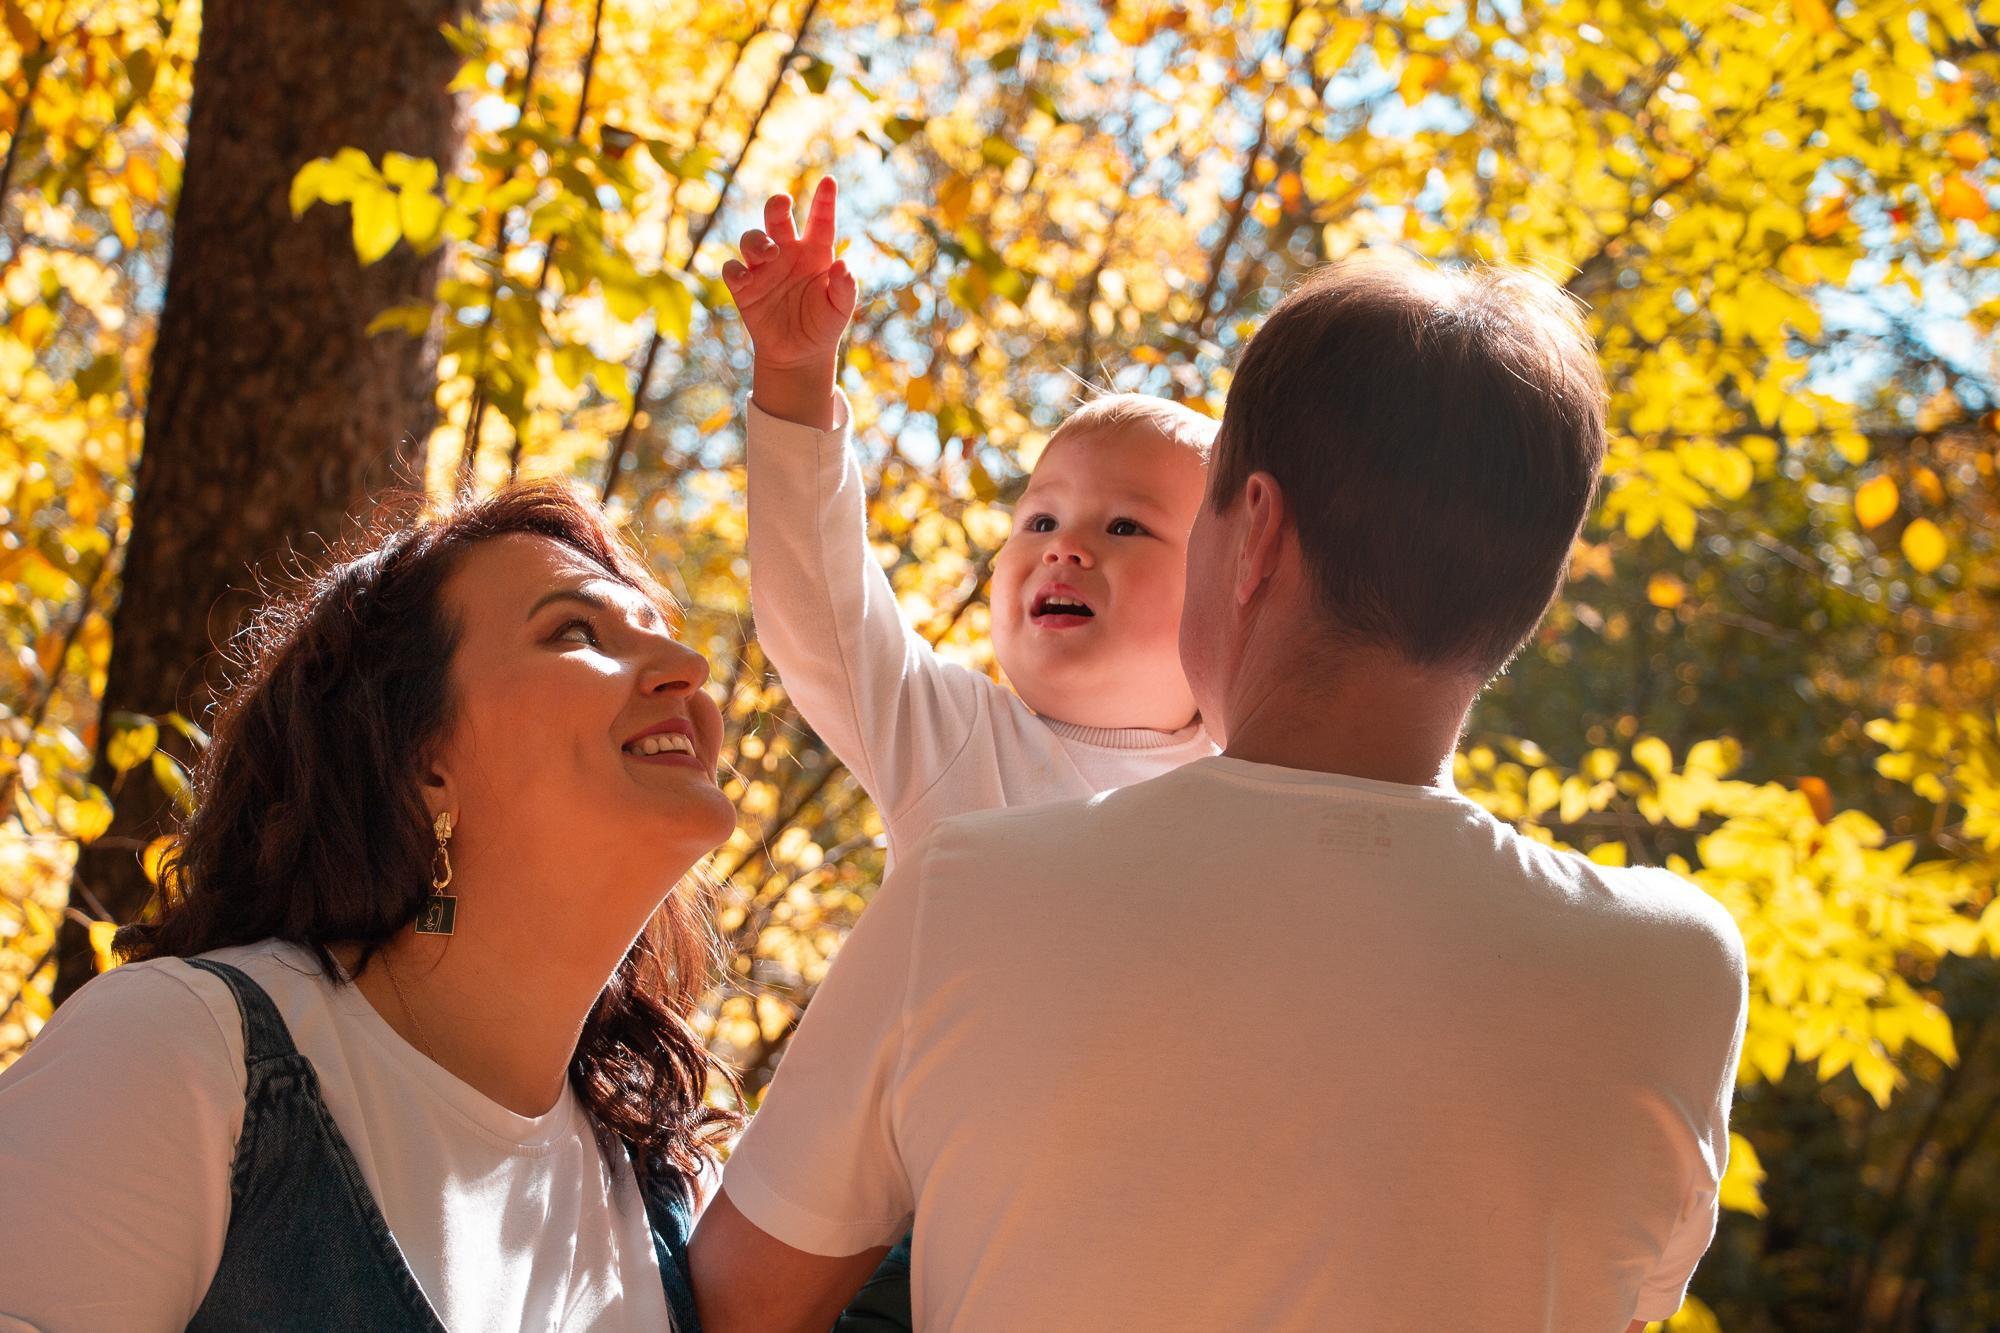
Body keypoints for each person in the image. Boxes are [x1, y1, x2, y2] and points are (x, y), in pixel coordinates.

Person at [690, 257, 1750, 1333]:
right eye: (1038, 519)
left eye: (1140, 528)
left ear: (1255, 532)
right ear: (1532, 583)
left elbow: (738, 1305)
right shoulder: (1680, 968)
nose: (1063, 548)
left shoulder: (964, 890)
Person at [0, 483, 739, 1331]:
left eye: (664, 632)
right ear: (424, 758)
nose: (689, 669)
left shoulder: (673, 1191)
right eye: (577, 630)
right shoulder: (177, 1054)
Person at [723, 177, 1220, 871]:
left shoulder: (1259, 793)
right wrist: (797, 379)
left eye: (1125, 528)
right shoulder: (954, 740)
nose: (1065, 549)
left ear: (1231, 588)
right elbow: (820, 613)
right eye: (1039, 519)